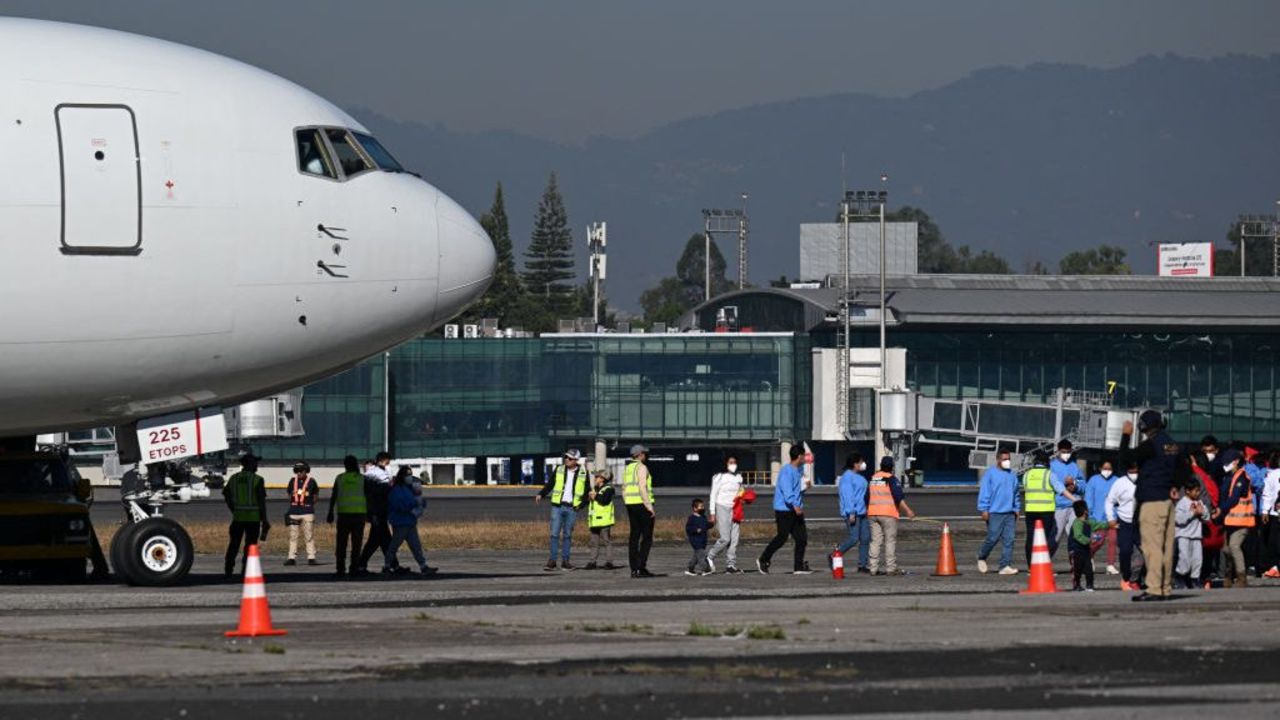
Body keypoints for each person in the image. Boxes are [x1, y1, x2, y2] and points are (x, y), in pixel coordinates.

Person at [1120, 410, 1186, 601]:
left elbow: (1126, 459)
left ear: (1143, 426)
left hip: (1151, 500)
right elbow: (1184, 468)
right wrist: (1175, 485)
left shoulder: (1150, 445)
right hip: (1168, 501)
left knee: (1152, 546)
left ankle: (1154, 588)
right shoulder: (1172, 444)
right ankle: (1164, 587)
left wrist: (1125, 436)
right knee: (1166, 547)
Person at [758, 445, 811, 575]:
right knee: (782, 537)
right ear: (799, 456)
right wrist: (795, 505)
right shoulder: (787, 471)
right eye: (804, 456)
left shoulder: (797, 470)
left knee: (801, 539)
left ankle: (798, 567)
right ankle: (763, 559)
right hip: (785, 510)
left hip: (795, 509)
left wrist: (804, 487)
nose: (805, 458)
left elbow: (795, 489)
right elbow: (787, 491)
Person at [1021, 450, 1078, 566]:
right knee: (1044, 539)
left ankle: (1030, 567)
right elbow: (1061, 490)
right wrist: (1075, 500)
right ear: (1046, 462)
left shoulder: (1027, 475)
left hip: (1030, 511)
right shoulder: (1049, 474)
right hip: (1046, 512)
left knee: (1030, 538)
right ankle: (1042, 566)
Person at [535, 449, 589, 570]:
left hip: (572, 508)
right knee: (554, 534)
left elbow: (587, 491)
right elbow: (550, 484)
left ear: (576, 460)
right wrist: (541, 494)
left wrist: (581, 505)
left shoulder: (583, 472)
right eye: (566, 457)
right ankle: (552, 561)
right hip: (557, 506)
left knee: (567, 535)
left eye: (569, 458)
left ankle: (565, 561)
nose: (566, 460)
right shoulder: (559, 469)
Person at [382, 466, 436, 577]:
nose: (410, 477)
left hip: (410, 521)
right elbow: (399, 505)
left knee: (416, 546)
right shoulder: (396, 490)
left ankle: (423, 566)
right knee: (394, 546)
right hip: (400, 522)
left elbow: (414, 500)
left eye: (410, 474)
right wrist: (414, 504)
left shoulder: (409, 489)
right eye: (407, 474)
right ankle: (387, 566)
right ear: (402, 476)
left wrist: (421, 502)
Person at [866, 456, 916, 576]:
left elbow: (866, 497)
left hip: (872, 513)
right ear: (892, 467)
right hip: (888, 514)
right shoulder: (891, 479)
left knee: (875, 541)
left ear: (881, 465)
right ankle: (890, 568)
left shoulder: (872, 479)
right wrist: (908, 511)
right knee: (889, 541)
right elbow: (898, 497)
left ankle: (873, 568)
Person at [222, 452, 269, 578]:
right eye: (255, 462)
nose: (257, 465)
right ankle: (245, 570)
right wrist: (264, 520)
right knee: (250, 546)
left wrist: (233, 509)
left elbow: (226, 494)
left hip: (237, 518)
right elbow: (261, 501)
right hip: (253, 519)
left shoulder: (234, 478)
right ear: (249, 464)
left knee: (233, 544)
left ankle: (228, 569)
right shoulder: (257, 479)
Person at [1215, 448, 1255, 588]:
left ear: (1237, 461)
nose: (1226, 465)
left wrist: (1221, 509)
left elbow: (1234, 498)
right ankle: (1229, 575)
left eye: (1228, 462)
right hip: (1230, 521)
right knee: (1226, 549)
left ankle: (1241, 577)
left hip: (1242, 521)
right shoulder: (1228, 477)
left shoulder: (1242, 477)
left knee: (1234, 546)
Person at [976, 450, 1020, 575]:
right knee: (992, 538)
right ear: (998, 460)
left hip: (1009, 513)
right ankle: (981, 556)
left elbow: (1016, 493)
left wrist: (1016, 508)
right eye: (1004, 459)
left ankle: (1004, 565)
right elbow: (985, 492)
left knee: (1009, 540)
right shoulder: (990, 474)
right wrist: (984, 509)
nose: (1007, 461)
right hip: (994, 512)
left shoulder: (1012, 474)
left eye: (1008, 459)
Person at [325, 455, 366, 578]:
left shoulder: (340, 478)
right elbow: (369, 496)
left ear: (345, 465)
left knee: (341, 544)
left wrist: (330, 512)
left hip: (343, 515)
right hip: (359, 515)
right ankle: (354, 568)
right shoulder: (362, 479)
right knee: (356, 544)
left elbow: (334, 496)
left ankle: (340, 569)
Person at [355, 451, 395, 576]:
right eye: (388, 461)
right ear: (383, 460)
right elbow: (384, 491)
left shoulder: (371, 473)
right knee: (380, 540)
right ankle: (362, 565)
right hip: (378, 511)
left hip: (376, 511)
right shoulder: (377, 473)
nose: (389, 463)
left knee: (382, 540)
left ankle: (392, 565)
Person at [1106, 459, 1141, 591]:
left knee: (1144, 552)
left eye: (1136, 470)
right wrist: (1111, 518)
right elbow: (1109, 501)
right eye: (1131, 471)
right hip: (1124, 522)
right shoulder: (1119, 483)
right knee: (1125, 551)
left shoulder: (1144, 481)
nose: (1134, 473)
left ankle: (1138, 579)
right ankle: (1126, 577)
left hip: (1141, 522)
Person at [623, 444, 656, 578]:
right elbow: (643, 487)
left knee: (634, 536)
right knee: (647, 537)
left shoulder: (628, 468)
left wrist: (627, 502)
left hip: (631, 504)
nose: (646, 456)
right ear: (640, 454)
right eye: (644, 454)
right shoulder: (642, 467)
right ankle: (641, 567)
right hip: (642, 504)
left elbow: (624, 488)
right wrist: (649, 506)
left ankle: (634, 568)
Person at [831, 453, 869, 571]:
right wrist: (851, 512)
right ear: (855, 464)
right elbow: (848, 496)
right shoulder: (847, 477)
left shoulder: (860, 477)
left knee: (865, 538)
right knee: (853, 538)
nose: (863, 464)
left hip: (863, 512)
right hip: (853, 513)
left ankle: (862, 565)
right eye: (861, 462)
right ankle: (835, 555)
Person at [707, 456, 744, 574]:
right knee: (725, 538)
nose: (733, 464)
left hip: (735, 508)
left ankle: (731, 565)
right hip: (722, 507)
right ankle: (709, 556)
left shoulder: (739, 477)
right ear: (725, 464)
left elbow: (741, 491)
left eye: (735, 462)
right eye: (730, 462)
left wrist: (744, 497)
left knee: (734, 539)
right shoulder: (719, 477)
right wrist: (712, 513)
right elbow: (713, 495)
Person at [1174, 477, 1211, 589]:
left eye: (1199, 490)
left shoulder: (1199, 502)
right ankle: (1179, 576)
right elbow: (1179, 519)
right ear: (1187, 491)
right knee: (1184, 559)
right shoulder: (1182, 503)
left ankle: (1195, 579)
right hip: (1183, 535)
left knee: (1197, 560)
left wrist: (1202, 512)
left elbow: (1207, 517)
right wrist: (1192, 514)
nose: (1198, 493)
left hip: (1196, 536)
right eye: (1195, 491)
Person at [1084, 459, 1120, 575]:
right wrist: (1090, 514)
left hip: (1112, 518)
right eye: (1105, 468)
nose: (1107, 471)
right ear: (1100, 469)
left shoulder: (1117, 481)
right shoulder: (1093, 480)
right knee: (1098, 541)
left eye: (1109, 469)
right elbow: (1088, 498)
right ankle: (1088, 556)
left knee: (1113, 541)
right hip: (1097, 518)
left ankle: (1110, 565)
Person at [1051, 440, 1086, 554]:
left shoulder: (1074, 466)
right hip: (1059, 506)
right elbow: (1051, 483)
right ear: (1058, 451)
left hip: (1074, 506)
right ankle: (1045, 562)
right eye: (1063, 452)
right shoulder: (1052, 466)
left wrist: (1075, 486)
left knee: (1077, 535)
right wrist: (1064, 483)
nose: (1066, 454)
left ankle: (1076, 564)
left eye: (1068, 452)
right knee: (1055, 537)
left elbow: (1083, 484)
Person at [1067, 500, 1108, 591]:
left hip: (1085, 550)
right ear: (1085, 511)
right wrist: (1089, 540)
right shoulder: (1077, 523)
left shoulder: (1088, 522)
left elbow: (1098, 525)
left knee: (1088, 568)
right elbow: (1078, 536)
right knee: (1077, 569)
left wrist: (1109, 524)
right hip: (1076, 551)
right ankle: (1077, 585)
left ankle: (1089, 585)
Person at [284, 461, 319, 566]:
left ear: (306, 471)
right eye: (297, 471)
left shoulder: (312, 481)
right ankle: (291, 558)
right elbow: (289, 495)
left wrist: (309, 505)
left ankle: (311, 557)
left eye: (301, 471)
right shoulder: (292, 481)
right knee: (293, 536)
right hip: (294, 512)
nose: (299, 473)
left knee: (309, 535)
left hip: (307, 512)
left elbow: (316, 496)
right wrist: (293, 505)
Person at [584, 468, 617, 570]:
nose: (595, 478)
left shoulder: (609, 489)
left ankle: (609, 562)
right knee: (594, 542)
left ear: (603, 479)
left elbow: (604, 501)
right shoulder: (595, 489)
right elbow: (589, 501)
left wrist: (595, 496)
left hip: (604, 521)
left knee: (607, 541)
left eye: (597, 476)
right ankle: (592, 562)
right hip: (594, 521)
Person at [685, 498, 712, 576]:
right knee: (701, 556)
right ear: (695, 508)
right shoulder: (692, 518)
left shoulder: (703, 517)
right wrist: (696, 530)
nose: (703, 508)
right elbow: (688, 529)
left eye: (703, 506)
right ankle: (705, 569)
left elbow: (706, 526)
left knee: (696, 556)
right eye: (701, 506)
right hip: (695, 540)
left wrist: (711, 524)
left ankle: (690, 568)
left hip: (703, 540)